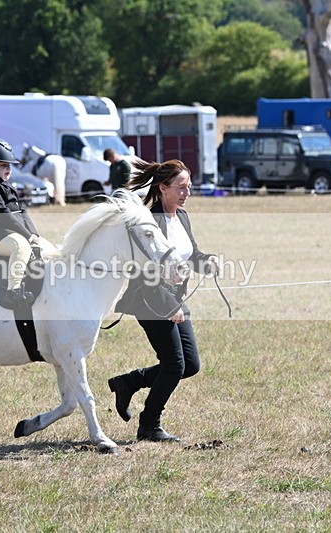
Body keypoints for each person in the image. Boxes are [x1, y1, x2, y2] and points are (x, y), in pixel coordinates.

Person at [107, 158, 219, 442]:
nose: (186, 193)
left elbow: (190, 254)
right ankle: (149, 426)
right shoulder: (148, 221)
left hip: (174, 300)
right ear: (163, 187)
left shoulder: (181, 216)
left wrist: (207, 262)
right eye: (181, 187)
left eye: (189, 187)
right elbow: (145, 275)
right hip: (150, 300)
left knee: (190, 365)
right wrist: (170, 307)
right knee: (174, 365)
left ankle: (129, 381)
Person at [0, 137, 57, 307]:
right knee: (21, 247)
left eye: (9, 166)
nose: (9, 169)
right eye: (3, 165)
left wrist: (34, 234)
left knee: (47, 248)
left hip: (13, 232)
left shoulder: (6, 185)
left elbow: (22, 212)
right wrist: (26, 235)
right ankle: (13, 290)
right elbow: (2, 213)